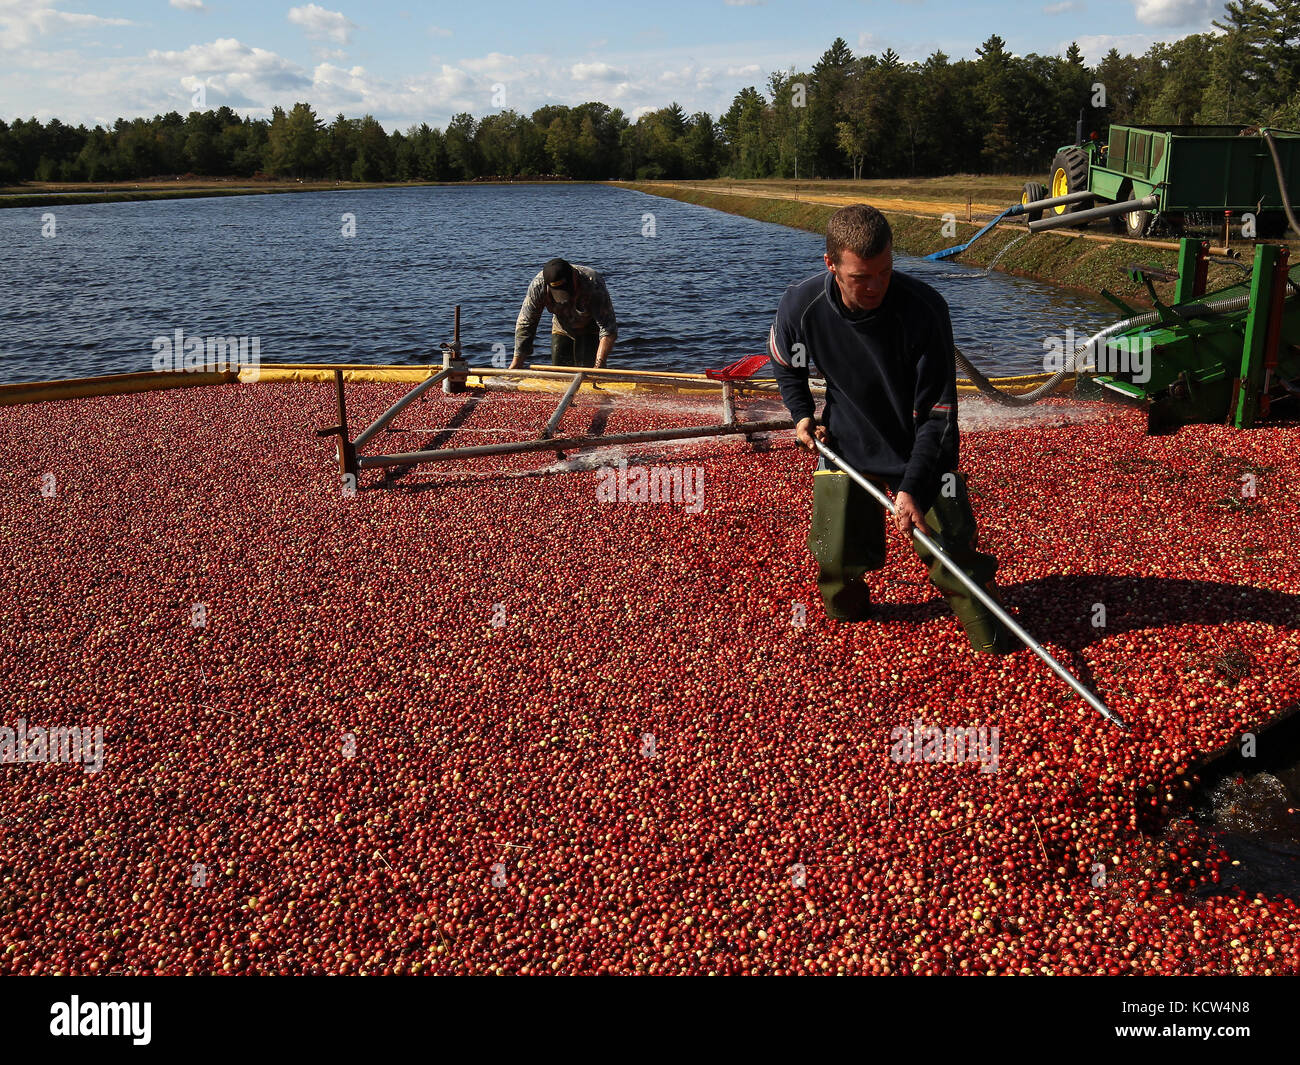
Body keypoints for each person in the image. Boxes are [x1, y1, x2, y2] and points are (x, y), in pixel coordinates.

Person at [768, 203, 1016, 654]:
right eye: (861, 277)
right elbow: (785, 362)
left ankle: (993, 636)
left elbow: (939, 415)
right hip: (846, 443)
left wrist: (913, 488)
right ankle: (850, 617)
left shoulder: (925, 309)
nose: (876, 286)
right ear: (831, 265)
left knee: (954, 558)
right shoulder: (801, 306)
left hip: (920, 449)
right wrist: (801, 413)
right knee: (836, 558)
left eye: (884, 271)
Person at [511, 258, 617, 370]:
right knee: (559, 371)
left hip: (590, 327)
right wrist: (517, 363)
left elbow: (608, 329)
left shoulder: (593, 283)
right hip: (562, 326)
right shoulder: (538, 286)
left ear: (574, 277)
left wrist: (599, 364)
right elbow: (526, 324)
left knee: (588, 371)